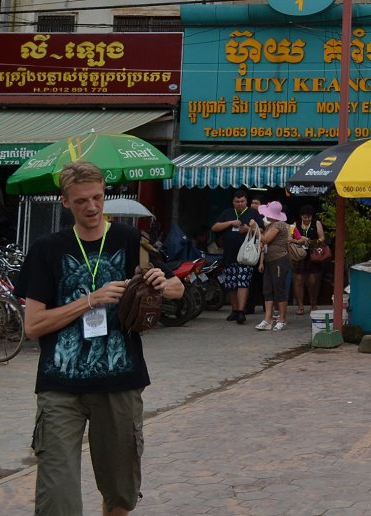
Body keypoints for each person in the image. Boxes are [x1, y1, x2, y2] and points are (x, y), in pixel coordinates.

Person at [14, 161, 184, 516]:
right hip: (60, 386)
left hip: (119, 382)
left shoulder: (129, 240)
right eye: (81, 201)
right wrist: (89, 300)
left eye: (97, 197)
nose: (91, 207)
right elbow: (33, 326)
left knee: (120, 494)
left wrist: (163, 285)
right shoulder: (47, 249)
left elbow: (177, 287)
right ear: (65, 202)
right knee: (57, 498)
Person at [211, 190, 264, 324]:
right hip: (229, 255)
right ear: (233, 202)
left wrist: (248, 229)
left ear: (246, 201)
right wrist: (230, 223)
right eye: (237, 201)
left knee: (243, 282)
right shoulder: (227, 212)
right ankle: (234, 310)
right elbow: (215, 228)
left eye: (242, 201)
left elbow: (262, 230)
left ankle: (241, 311)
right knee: (231, 284)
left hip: (246, 255)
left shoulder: (253, 213)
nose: (240, 203)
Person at [251, 201, 293, 331]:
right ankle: (267, 319)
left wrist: (255, 229)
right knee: (267, 289)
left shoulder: (279, 225)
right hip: (270, 260)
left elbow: (265, 239)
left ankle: (282, 319)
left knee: (279, 290)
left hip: (279, 260)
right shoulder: (270, 225)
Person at [292, 204, 326, 315]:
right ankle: (300, 306)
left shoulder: (317, 223)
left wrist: (313, 241)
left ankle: (313, 302)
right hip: (299, 254)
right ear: (301, 216)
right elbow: (291, 238)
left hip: (313, 253)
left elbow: (322, 237)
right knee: (298, 280)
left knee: (312, 281)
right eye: (305, 217)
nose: (307, 219)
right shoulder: (295, 224)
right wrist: (299, 241)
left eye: (309, 217)